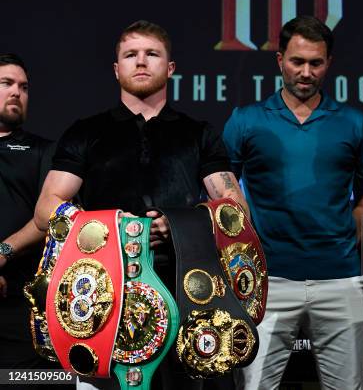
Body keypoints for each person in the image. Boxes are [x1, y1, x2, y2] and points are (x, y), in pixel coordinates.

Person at [34, 20, 247, 389]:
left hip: (186, 290)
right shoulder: (86, 131)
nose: (141, 62)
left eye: (152, 54)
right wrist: (112, 229)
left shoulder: (198, 133)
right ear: (117, 69)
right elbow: (45, 209)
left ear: (170, 68)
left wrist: (177, 226)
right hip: (104, 294)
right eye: (131, 55)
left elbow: (234, 209)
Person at [223, 15, 363, 390]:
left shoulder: (354, 123)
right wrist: (249, 244)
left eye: (316, 63)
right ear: (280, 61)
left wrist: (343, 241)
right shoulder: (246, 121)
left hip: (340, 280)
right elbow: (221, 187)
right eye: (297, 61)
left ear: (329, 64)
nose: (306, 72)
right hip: (267, 282)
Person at [0, 53, 55, 371]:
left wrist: (3, 253)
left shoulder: (43, 151)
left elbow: (50, 219)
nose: (16, 92)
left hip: (22, 304)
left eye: (23, 86)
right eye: (7, 83)